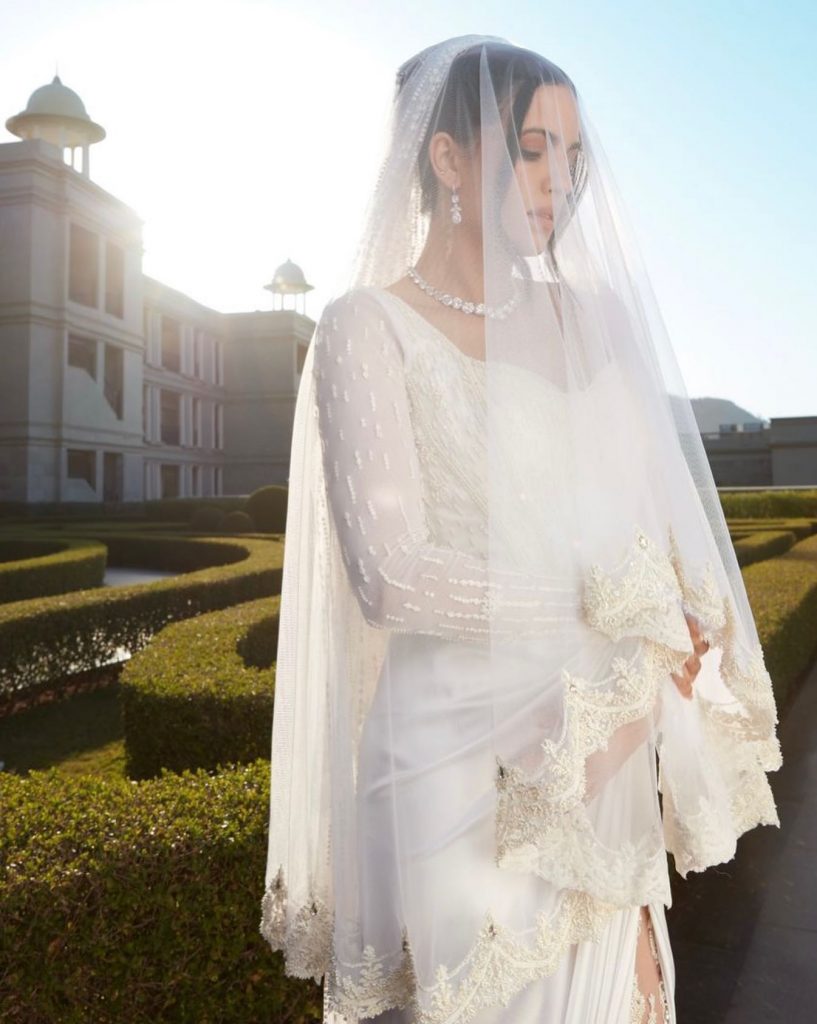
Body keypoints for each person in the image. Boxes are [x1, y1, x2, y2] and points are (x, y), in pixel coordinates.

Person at [260, 36, 782, 1024]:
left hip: (601, 730)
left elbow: (648, 521)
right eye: (532, 148)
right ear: (448, 158)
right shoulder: (364, 330)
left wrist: (677, 610)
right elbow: (389, 574)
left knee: (625, 997)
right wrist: (601, 602)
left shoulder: (596, 322)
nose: (560, 182)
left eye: (573, 155)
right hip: (451, 763)